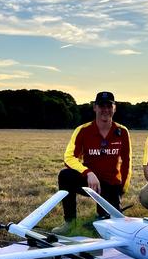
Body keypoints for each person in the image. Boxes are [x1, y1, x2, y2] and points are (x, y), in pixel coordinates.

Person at [52, 91, 131, 234]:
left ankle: (103, 214)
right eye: (101, 106)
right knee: (65, 175)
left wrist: (122, 188)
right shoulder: (83, 130)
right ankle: (70, 222)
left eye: (109, 106)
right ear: (95, 107)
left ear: (114, 108)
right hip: (89, 183)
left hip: (110, 184)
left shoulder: (122, 131)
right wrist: (88, 173)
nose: (105, 110)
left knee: (111, 227)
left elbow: (127, 161)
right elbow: (69, 157)